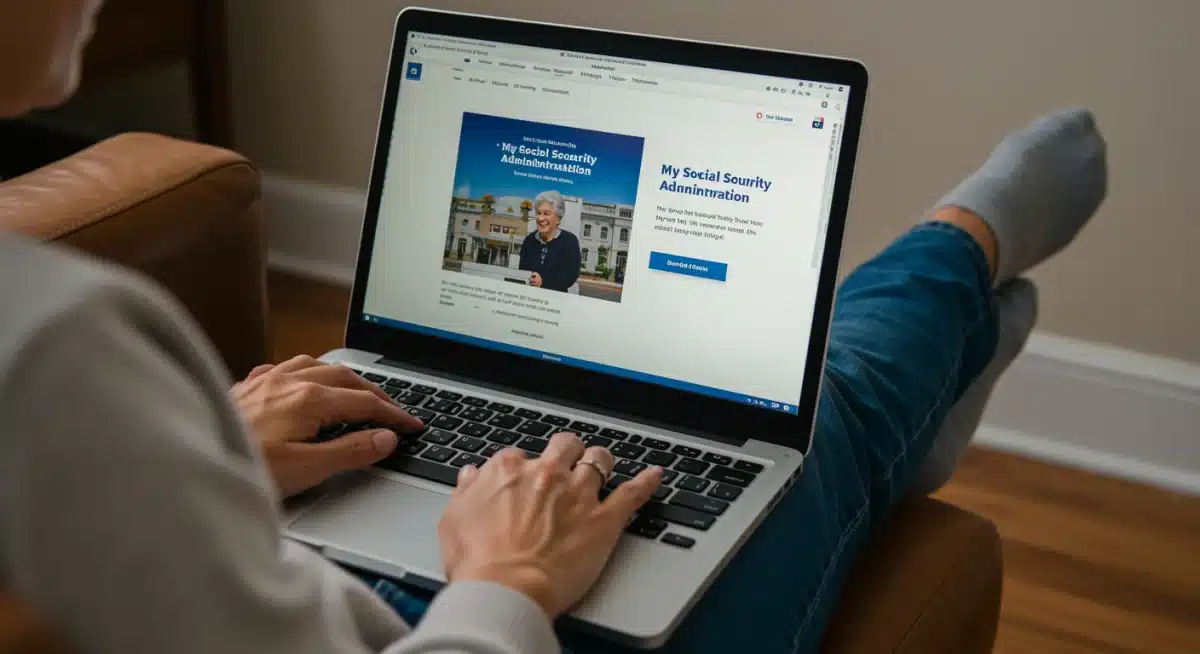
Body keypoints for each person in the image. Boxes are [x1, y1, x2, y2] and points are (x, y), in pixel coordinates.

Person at [0, 2, 1107, 653]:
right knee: (823, 423)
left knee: (765, 424)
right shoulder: (50, 347)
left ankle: (952, 292)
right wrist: (510, 584)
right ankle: (960, 250)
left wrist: (198, 469)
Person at [518, 189, 582, 291]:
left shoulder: (570, 241)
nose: (540, 218)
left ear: (558, 218)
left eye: (546, 213)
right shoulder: (529, 240)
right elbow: (522, 270)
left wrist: (543, 282)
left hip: (555, 301)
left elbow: (571, 275)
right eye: (538, 213)